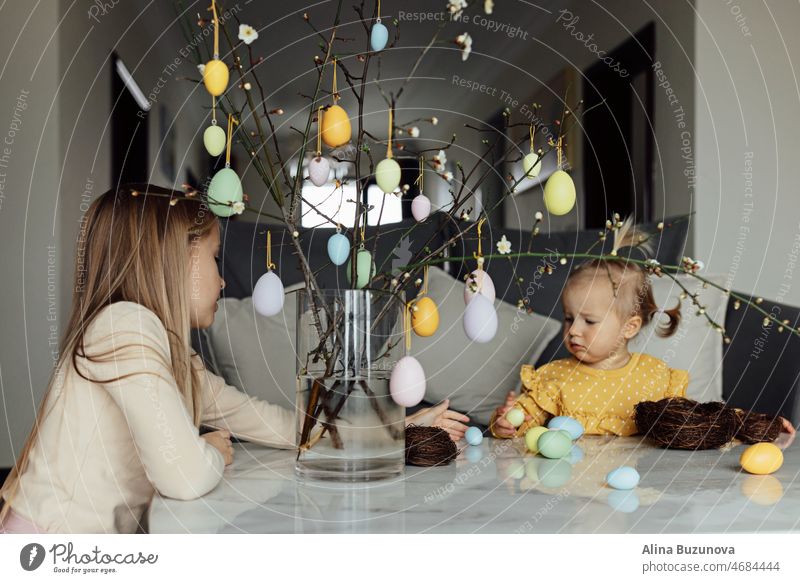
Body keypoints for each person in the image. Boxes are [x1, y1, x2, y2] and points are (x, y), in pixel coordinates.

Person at [0, 184, 468, 534]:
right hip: (52, 555)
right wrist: (213, 453)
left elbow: (273, 424)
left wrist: (386, 431)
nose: (224, 282)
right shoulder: (125, 327)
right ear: (174, 261)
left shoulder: (166, 351)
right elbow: (184, 476)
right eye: (214, 259)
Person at [491, 255, 795, 439]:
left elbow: (699, 417)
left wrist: (755, 423)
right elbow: (525, 415)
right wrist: (508, 421)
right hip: (567, 483)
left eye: (590, 321)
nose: (573, 331)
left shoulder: (655, 376)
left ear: (630, 327)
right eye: (569, 318)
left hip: (641, 479)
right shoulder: (555, 377)